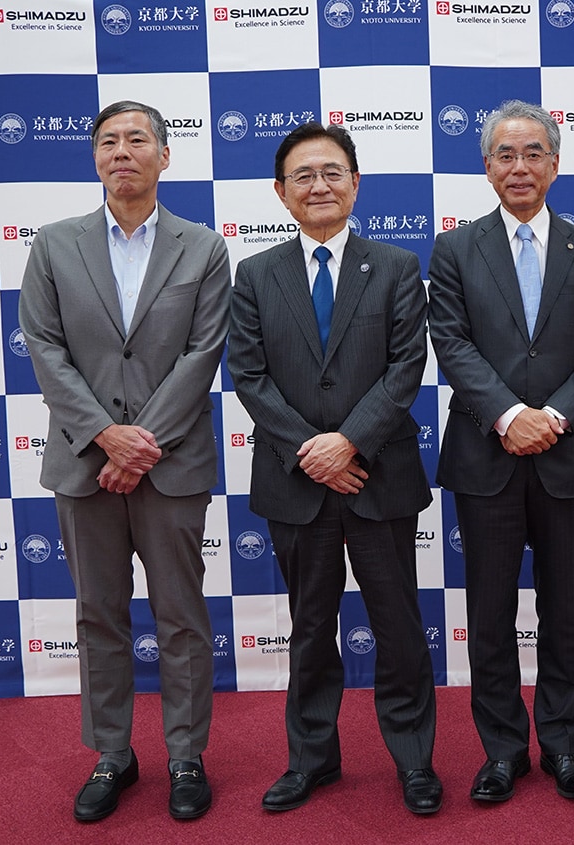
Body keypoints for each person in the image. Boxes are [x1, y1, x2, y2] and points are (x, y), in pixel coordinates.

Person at [19, 100, 230, 822]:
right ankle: (113, 752)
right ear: (95, 158)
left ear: (164, 156)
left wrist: (142, 443)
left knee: (182, 617)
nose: (121, 151)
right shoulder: (53, 244)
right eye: (107, 141)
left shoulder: (202, 247)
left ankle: (184, 755)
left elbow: (202, 353)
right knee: (99, 616)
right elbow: (44, 349)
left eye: (137, 139)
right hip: (85, 463)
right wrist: (107, 436)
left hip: (170, 465)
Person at [226, 122, 441, 815]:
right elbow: (250, 376)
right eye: (303, 175)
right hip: (296, 483)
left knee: (400, 629)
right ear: (282, 193)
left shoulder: (399, 266)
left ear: (355, 183)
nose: (319, 185)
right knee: (310, 628)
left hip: (380, 476)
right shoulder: (256, 273)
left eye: (332, 172)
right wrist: (311, 450)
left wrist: (348, 441)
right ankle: (311, 759)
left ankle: (413, 758)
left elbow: (406, 367)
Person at [427, 100, 574, 803]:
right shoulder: (454, 249)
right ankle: (504, 749)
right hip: (487, 455)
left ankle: (565, 746)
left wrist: (556, 415)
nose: (520, 166)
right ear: (487, 166)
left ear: (554, 163)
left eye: (533, 153)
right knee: (489, 612)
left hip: (566, 457)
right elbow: (450, 341)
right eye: (505, 155)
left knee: (565, 611)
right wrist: (510, 415)